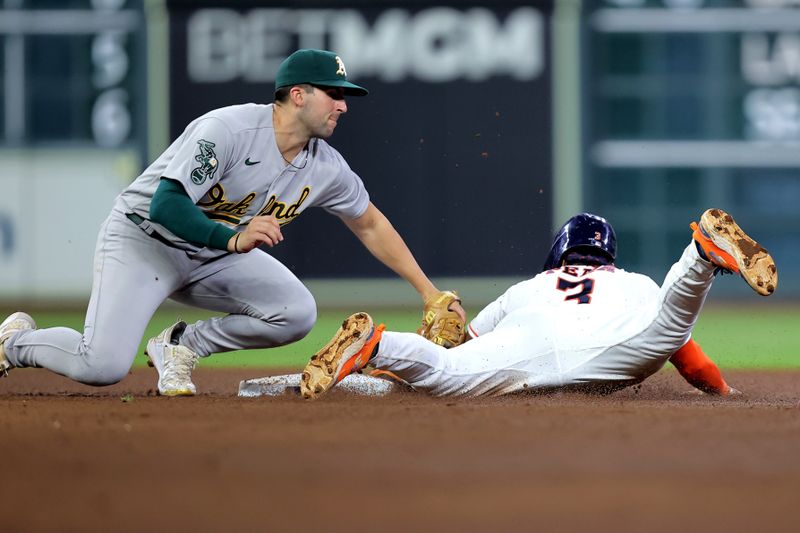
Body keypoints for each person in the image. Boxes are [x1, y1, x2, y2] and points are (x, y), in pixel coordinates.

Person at [0, 49, 462, 395]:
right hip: (144, 241)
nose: (343, 105)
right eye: (334, 94)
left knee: (296, 313)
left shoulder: (326, 166)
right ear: (297, 95)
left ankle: (181, 343)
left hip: (214, 254)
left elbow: (370, 224)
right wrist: (234, 238)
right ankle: (16, 342)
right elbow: (165, 205)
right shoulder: (228, 130)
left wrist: (429, 292)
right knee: (101, 366)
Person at [299, 208, 777, 399]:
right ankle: (699, 256)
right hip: (619, 346)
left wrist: (393, 368)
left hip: (531, 344)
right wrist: (724, 395)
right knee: (670, 324)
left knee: (445, 377)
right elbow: (693, 365)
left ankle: (377, 347)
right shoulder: (635, 283)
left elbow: (459, 346)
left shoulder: (526, 288)